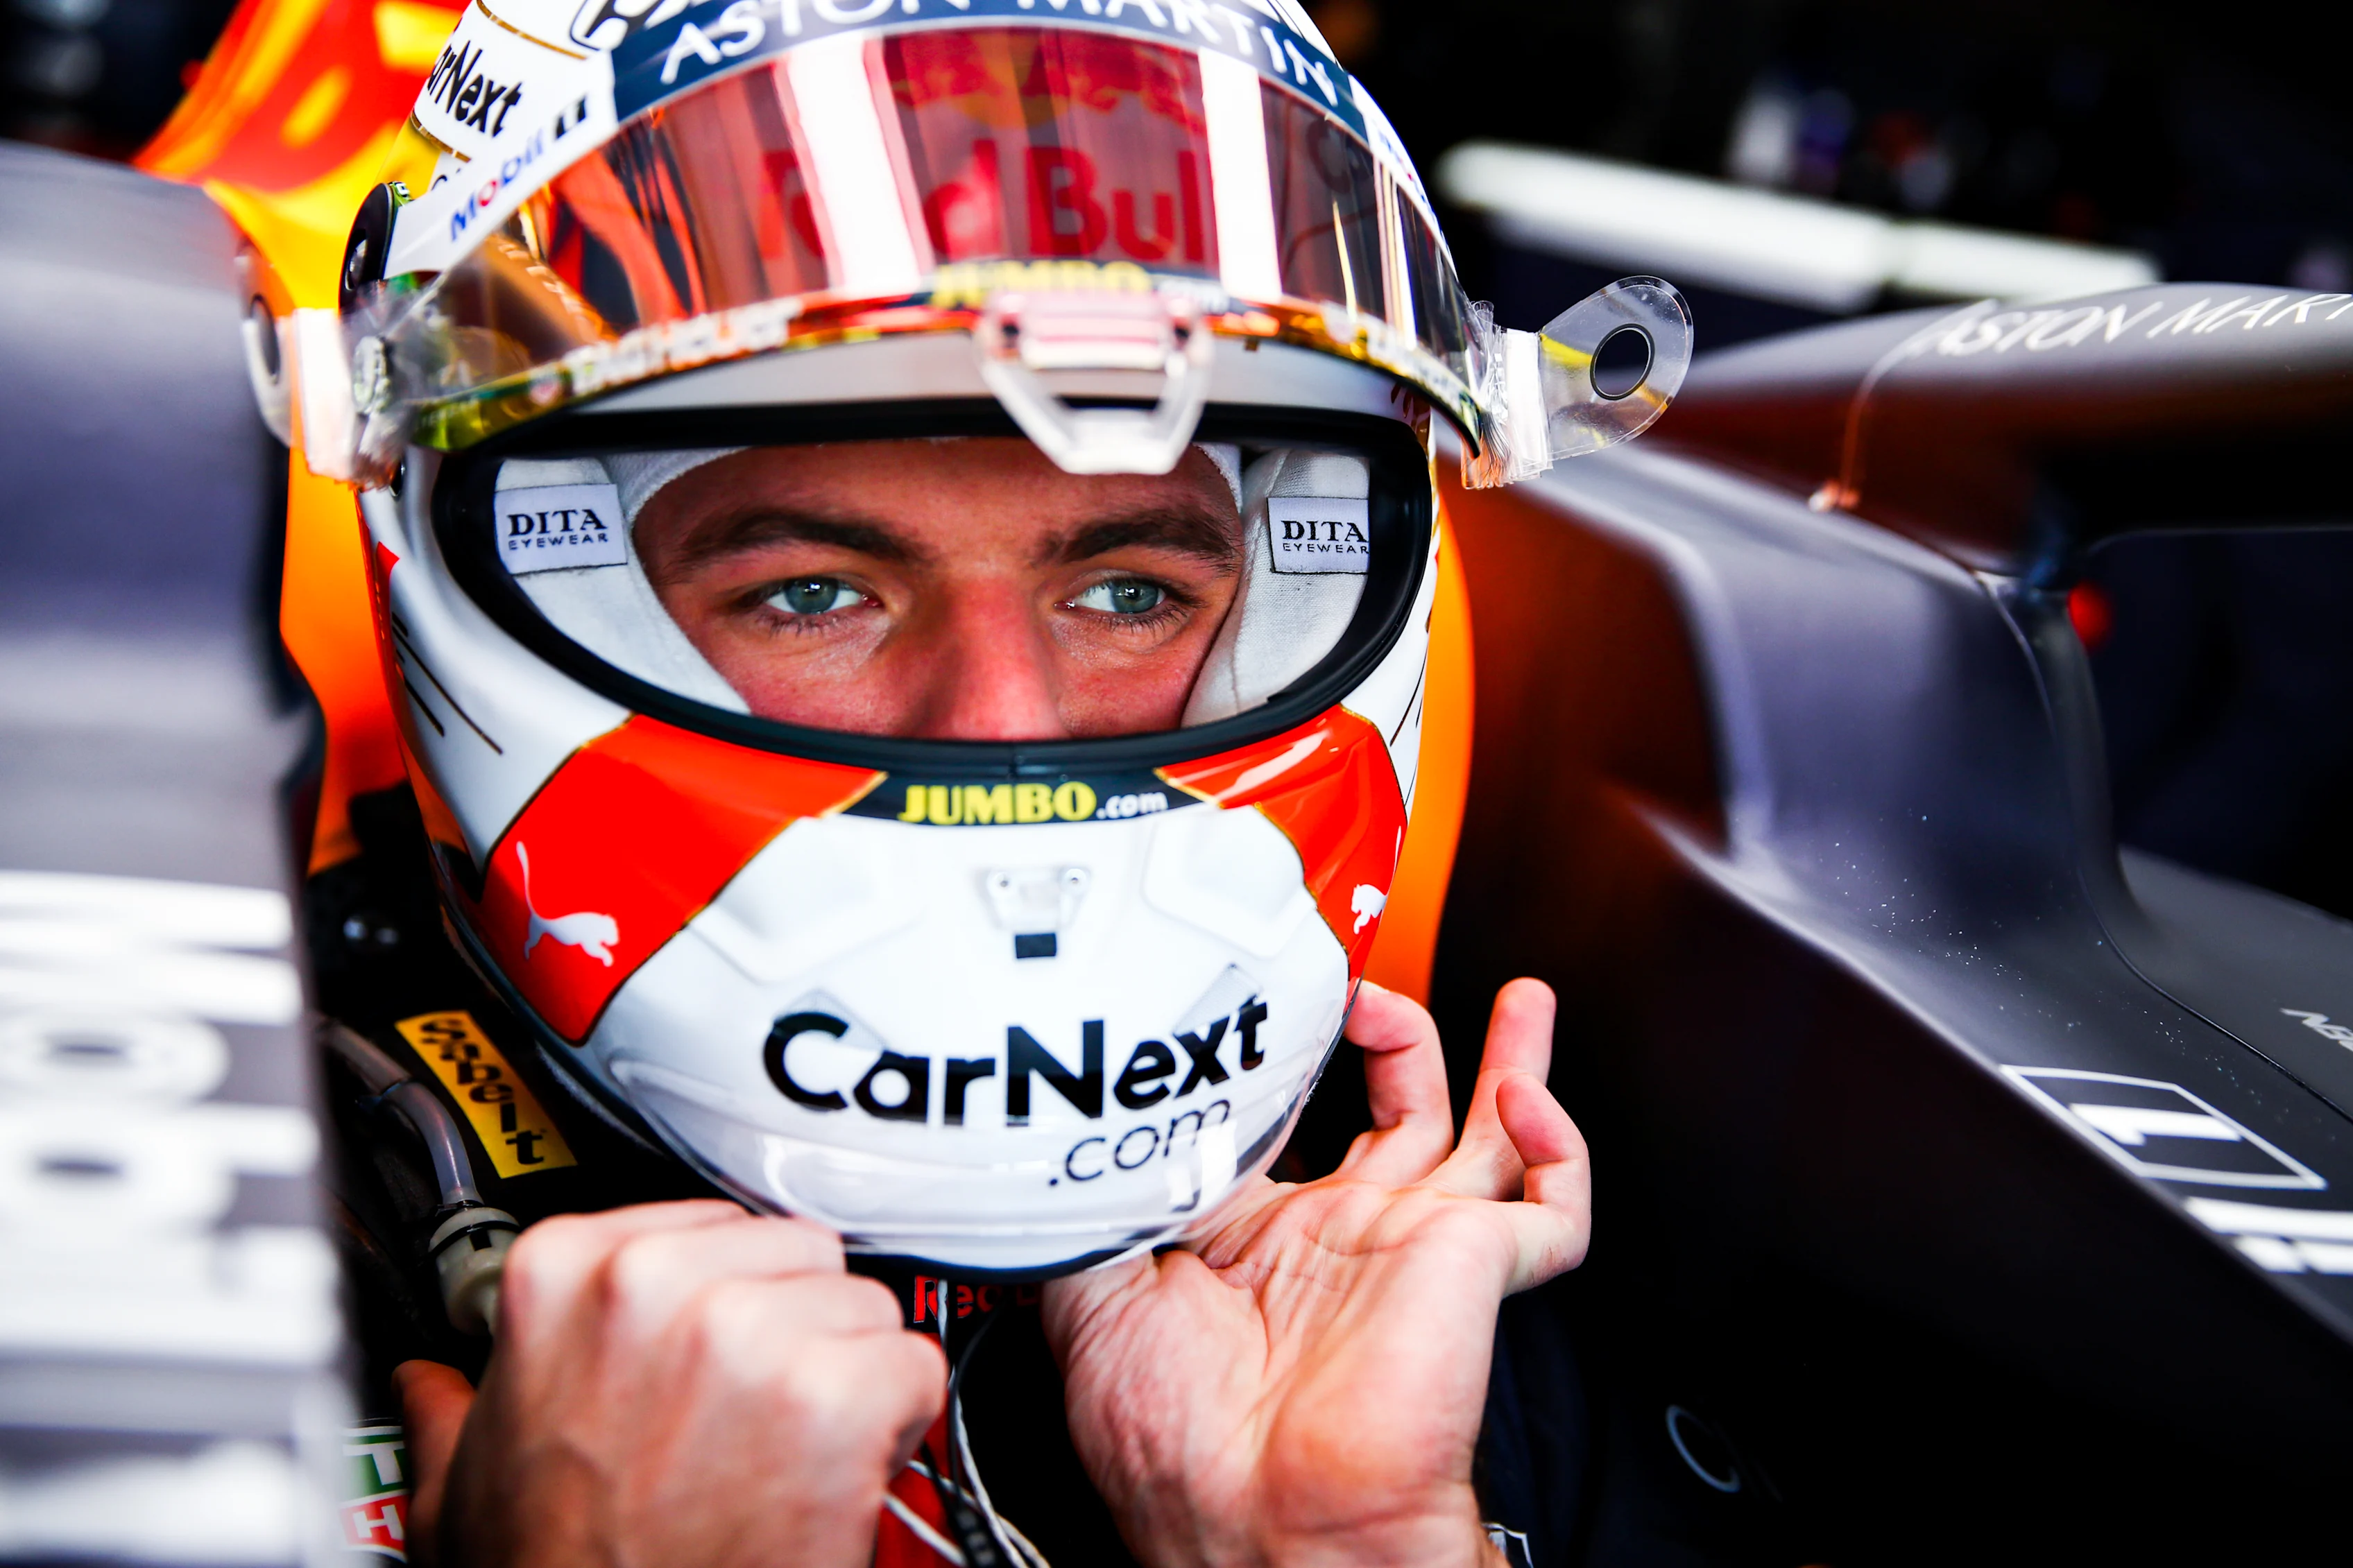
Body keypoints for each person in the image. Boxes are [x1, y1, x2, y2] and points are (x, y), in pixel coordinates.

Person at [313, 5, 1663, 1561]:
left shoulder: (1435, 1325)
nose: (999, 726)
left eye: (1129, 592)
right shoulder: (190, 1260)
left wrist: (1330, 1544)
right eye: (812, 594)